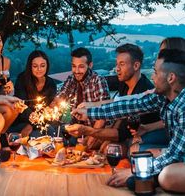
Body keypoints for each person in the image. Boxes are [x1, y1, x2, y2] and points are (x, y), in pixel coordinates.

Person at [71, 48, 185, 193]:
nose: (152, 78)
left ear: (171, 78)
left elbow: (175, 155)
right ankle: (149, 177)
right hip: (178, 153)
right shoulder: (163, 96)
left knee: (166, 177)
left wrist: (134, 171)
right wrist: (88, 113)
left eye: (155, 72)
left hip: (179, 157)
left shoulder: (183, 108)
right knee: (143, 162)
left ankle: (151, 177)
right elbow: (129, 106)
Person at [66, 43, 166, 153]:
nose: (117, 68)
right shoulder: (124, 82)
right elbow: (118, 104)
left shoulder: (145, 90)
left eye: (121, 64)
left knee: (110, 149)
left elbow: (122, 130)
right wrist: (90, 107)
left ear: (136, 66)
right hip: (124, 133)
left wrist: (90, 131)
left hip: (137, 137)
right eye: (116, 64)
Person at [53, 47, 110, 147]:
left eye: (81, 67)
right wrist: (51, 109)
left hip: (97, 131)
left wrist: (92, 137)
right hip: (77, 131)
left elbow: (103, 114)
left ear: (90, 65)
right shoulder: (71, 79)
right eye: (74, 66)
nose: (76, 71)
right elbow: (60, 97)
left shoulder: (98, 80)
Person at [10, 50, 57, 137]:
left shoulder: (51, 84)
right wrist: (31, 123)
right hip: (21, 121)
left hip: (41, 121)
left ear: (47, 66)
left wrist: (31, 125)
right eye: (35, 66)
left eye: (42, 66)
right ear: (30, 66)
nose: (39, 69)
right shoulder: (22, 79)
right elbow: (21, 104)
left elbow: (48, 109)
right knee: (35, 135)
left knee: (51, 131)